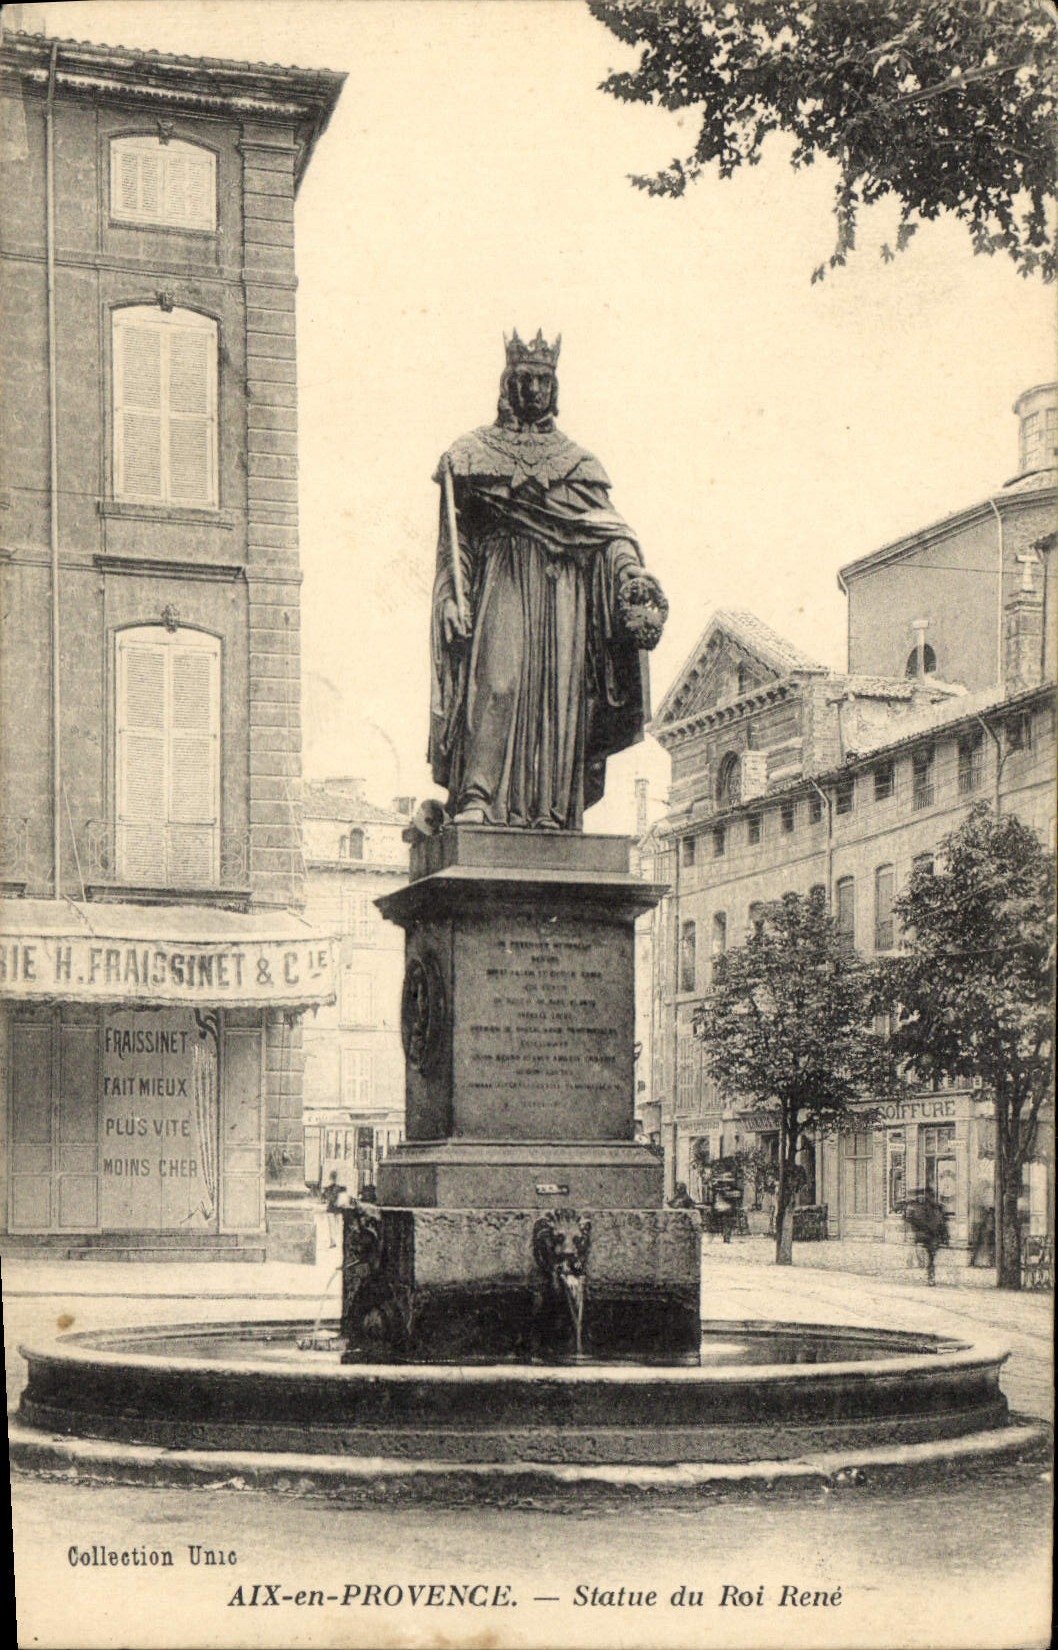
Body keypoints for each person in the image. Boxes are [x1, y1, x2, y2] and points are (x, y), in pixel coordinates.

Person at [429, 331, 668, 830]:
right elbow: (456, 546)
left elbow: (609, 531)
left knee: (560, 698)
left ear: (554, 389)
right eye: (525, 380)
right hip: (503, 579)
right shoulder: (470, 455)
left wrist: (630, 577)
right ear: (507, 385)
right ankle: (477, 796)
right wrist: (453, 597)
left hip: (564, 592)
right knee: (497, 680)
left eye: (544, 380)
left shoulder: (578, 463)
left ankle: (553, 811)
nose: (535, 390)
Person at [322, 1169, 346, 1249]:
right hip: (338, 1209)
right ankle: (335, 1241)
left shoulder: (327, 1189)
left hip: (331, 1209)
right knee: (338, 1226)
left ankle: (333, 1241)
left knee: (332, 1226)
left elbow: (324, 1199)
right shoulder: (341, 1188)